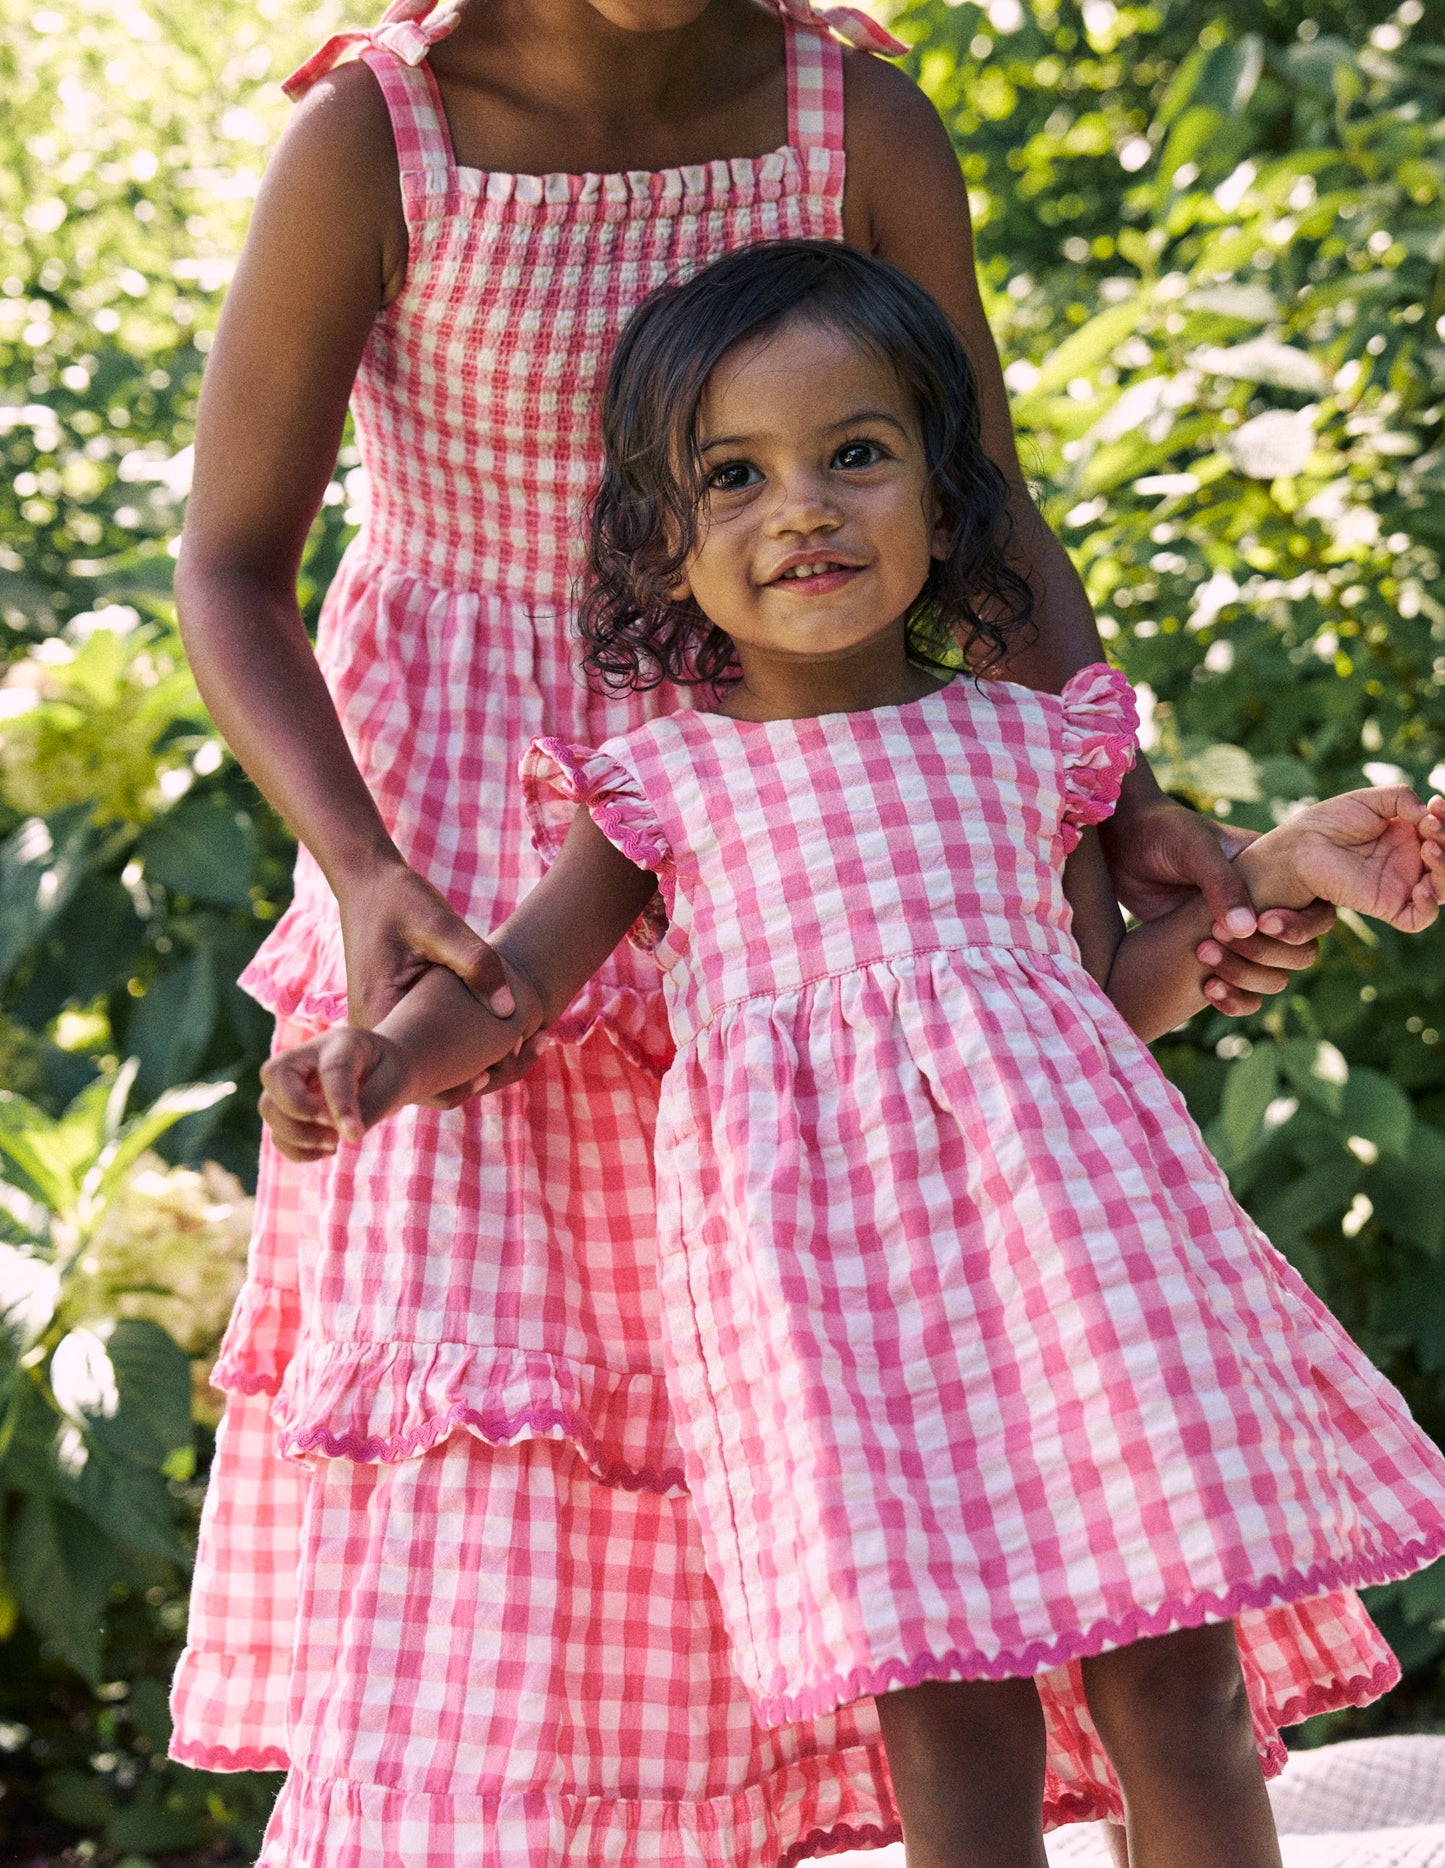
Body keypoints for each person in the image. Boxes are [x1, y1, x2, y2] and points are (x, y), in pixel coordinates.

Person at [168, 0, 1332, 1856]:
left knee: (937, 1442)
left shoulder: (851, 116)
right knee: (533, 1439)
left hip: (851, 765)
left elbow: (985, 494)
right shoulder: (380, 139)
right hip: (469, 847)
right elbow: (230, 564)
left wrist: (1125, 806)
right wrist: (366, 872)